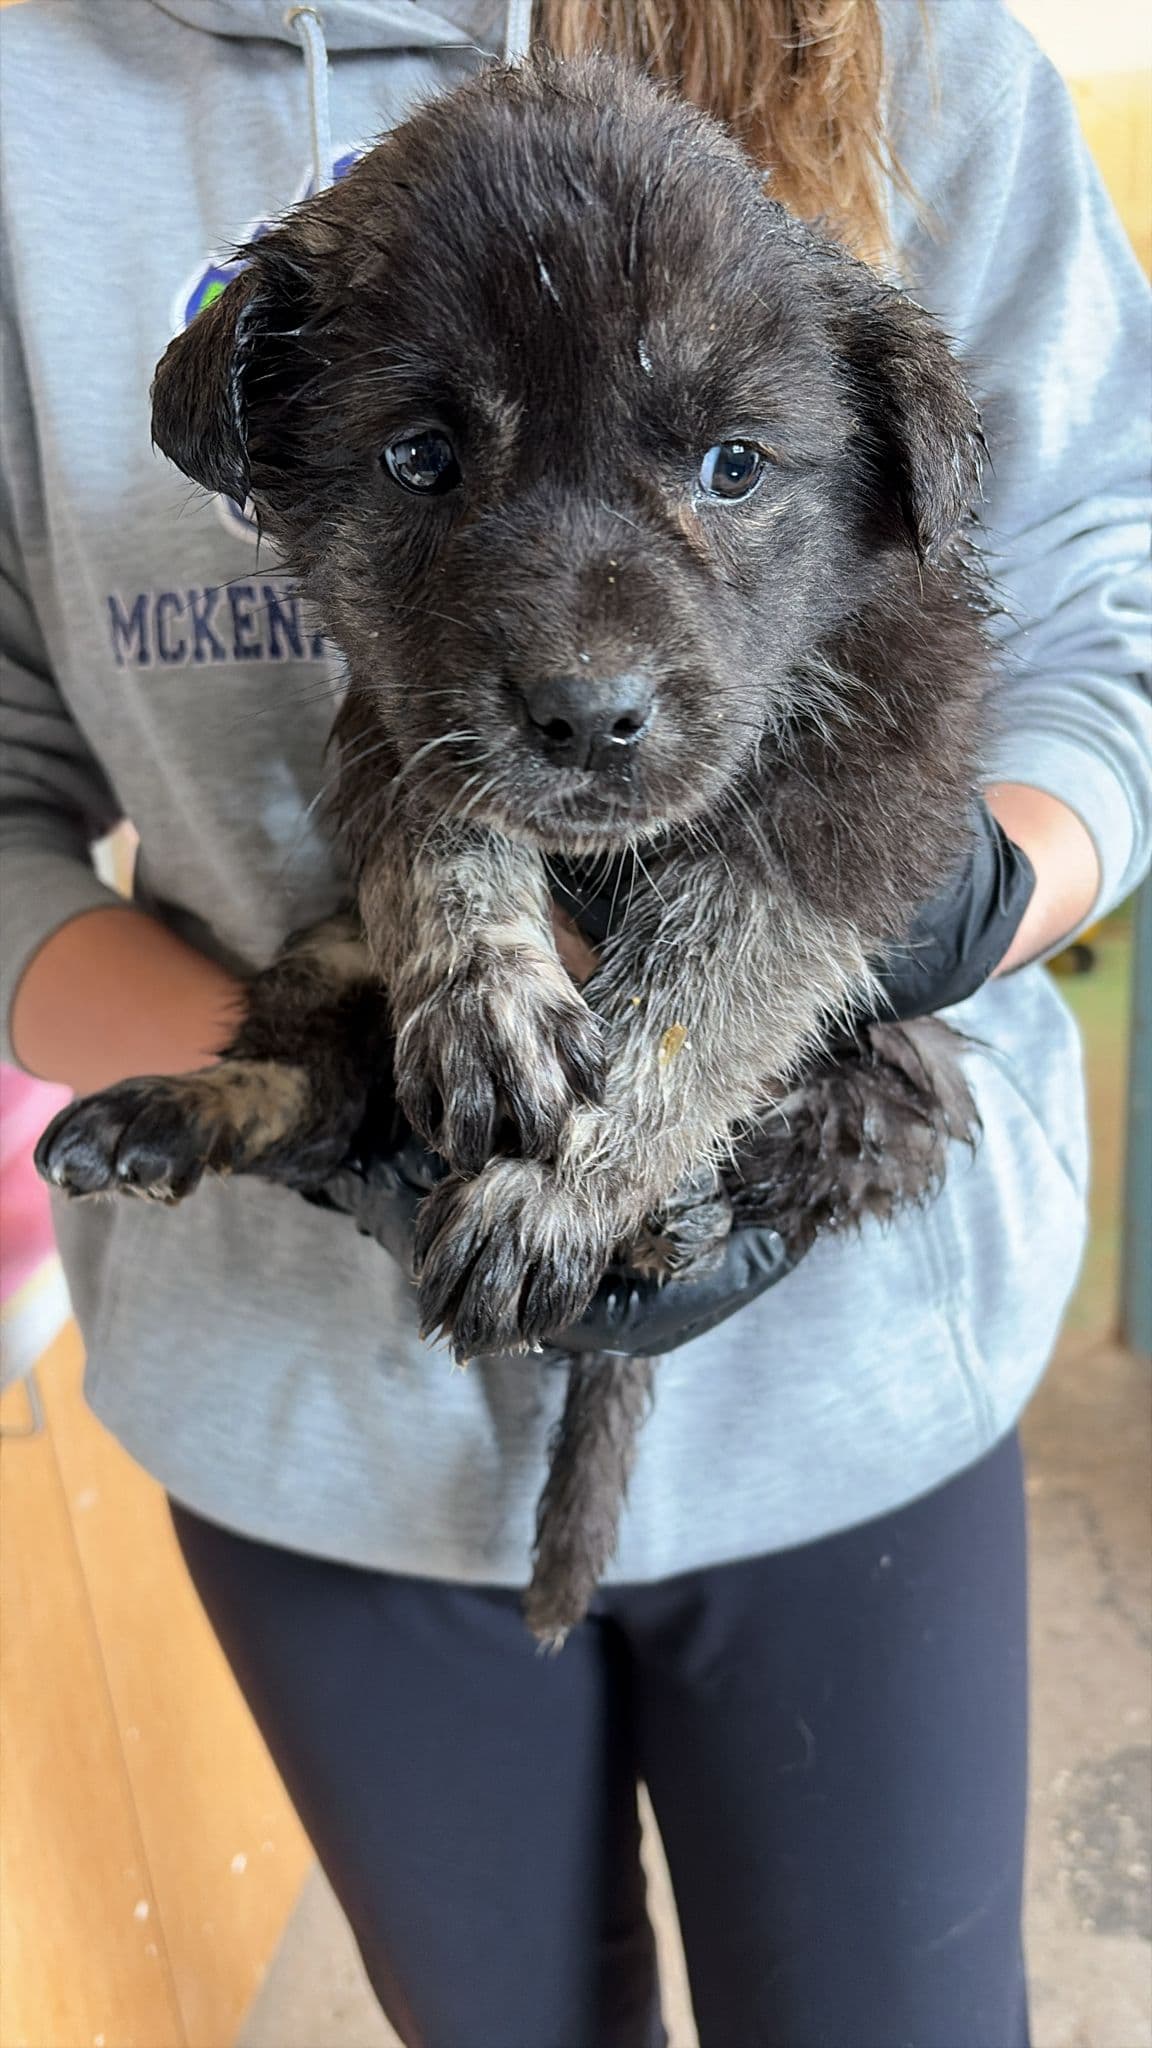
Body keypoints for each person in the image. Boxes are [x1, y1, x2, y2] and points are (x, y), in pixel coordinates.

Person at [1, 1, 1149, 2041]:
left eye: (723, 469)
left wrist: (977, 888)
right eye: (424, 460)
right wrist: (335, 1102)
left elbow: (1101, 597)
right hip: (307, 1420)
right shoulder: (30, 127)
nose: (595, 664)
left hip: (863, 1383)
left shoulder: (900, 37)